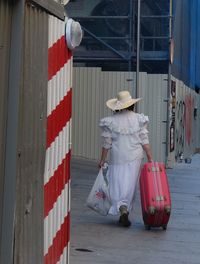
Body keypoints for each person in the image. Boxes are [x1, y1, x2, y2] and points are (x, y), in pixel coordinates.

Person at [98, 90, 153, 227]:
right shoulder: (139, 119)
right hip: (135, 157)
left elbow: (107, 144)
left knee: (116, 183)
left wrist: (102, 160)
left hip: (117, 157)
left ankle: (121, 207)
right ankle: (125, 208)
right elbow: (144, 140)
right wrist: (150, 157)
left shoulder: (110, 121)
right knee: (130, 185)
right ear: (131, 105)